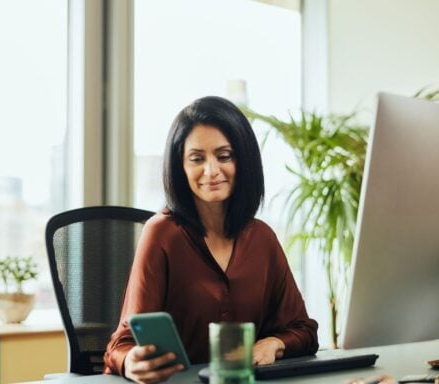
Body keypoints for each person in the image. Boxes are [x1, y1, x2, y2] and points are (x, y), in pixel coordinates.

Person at [103, 96, 319, 383]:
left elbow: (303, 330)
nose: (211, 170)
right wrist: (131, 361)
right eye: (197, 159)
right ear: (180, 166)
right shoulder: (162, 234)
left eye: (224, 155)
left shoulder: (262, 238)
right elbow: (121, 344)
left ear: (243, 160)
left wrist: (275, 343)